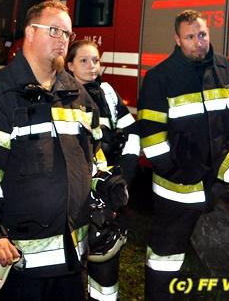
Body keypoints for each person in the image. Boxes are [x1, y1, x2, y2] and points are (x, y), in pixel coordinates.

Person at [0, 1, 121, 301]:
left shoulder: (76, 94)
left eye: (67, 33)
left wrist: (104, 183)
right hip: (19, 262)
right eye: (54, 30)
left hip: (74, 258)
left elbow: (93, 155)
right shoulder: (0, 93)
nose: (63, 39)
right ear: (29, 32)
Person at [137, 9, 229, 301]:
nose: (199, 42)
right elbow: (151, 136)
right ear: (177, 39)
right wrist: (176, 172)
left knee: (222, 254)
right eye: (190, 37)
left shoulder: (226, 68)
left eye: (202, 34)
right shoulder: (159, 78)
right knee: (165, 258)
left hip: (215, 182)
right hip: (175, 189)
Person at [65, 39, 138, 301]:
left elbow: (132, 133)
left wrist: (123, 178)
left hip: (106, 196)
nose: (92, 66)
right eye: (84, 60)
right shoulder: (62, 95)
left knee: (105, 268)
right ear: (69, 65)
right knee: (71, 269)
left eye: (95, 60)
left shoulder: (107, 93)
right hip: (74, 197)